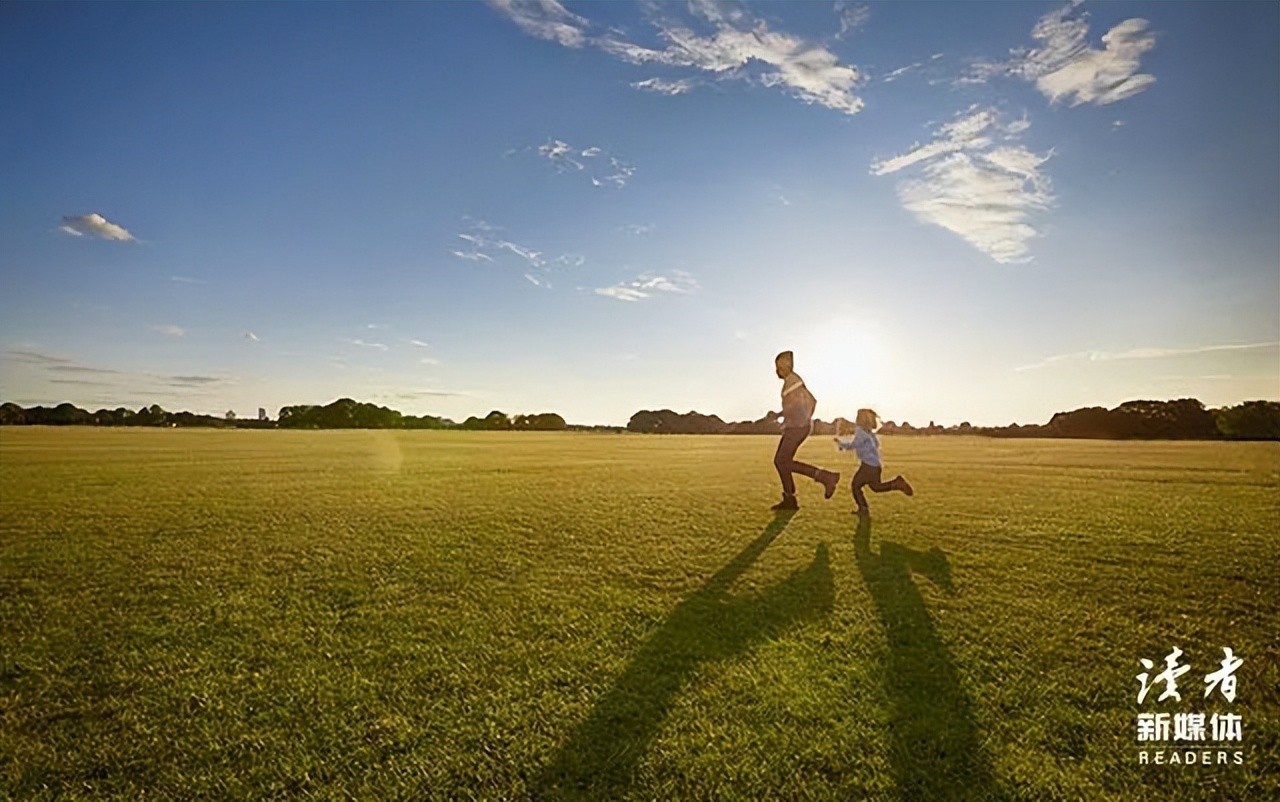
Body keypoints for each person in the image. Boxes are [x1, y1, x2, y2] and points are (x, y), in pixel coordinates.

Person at [770, 351, 840, 510]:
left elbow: (808, 402)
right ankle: (791, 497)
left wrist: (801, 420)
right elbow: (802, 402)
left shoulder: (793, 380)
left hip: (797, 427)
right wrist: (781, 415)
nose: (776, 370)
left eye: (778, 365)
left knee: (781, 461)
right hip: (797, 426)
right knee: (783, 462)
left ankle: (824, 478)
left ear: (786, 364)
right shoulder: (792, 380)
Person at [849, 407, 913, 517]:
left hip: (868, 465)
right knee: (876, 487)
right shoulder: (870, 433)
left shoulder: (860, 431)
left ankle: (863, 509)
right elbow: (875, 445)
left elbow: (855, 444)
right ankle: (896, 483)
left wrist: (841, 445)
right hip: (875, 465)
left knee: (855, 485)